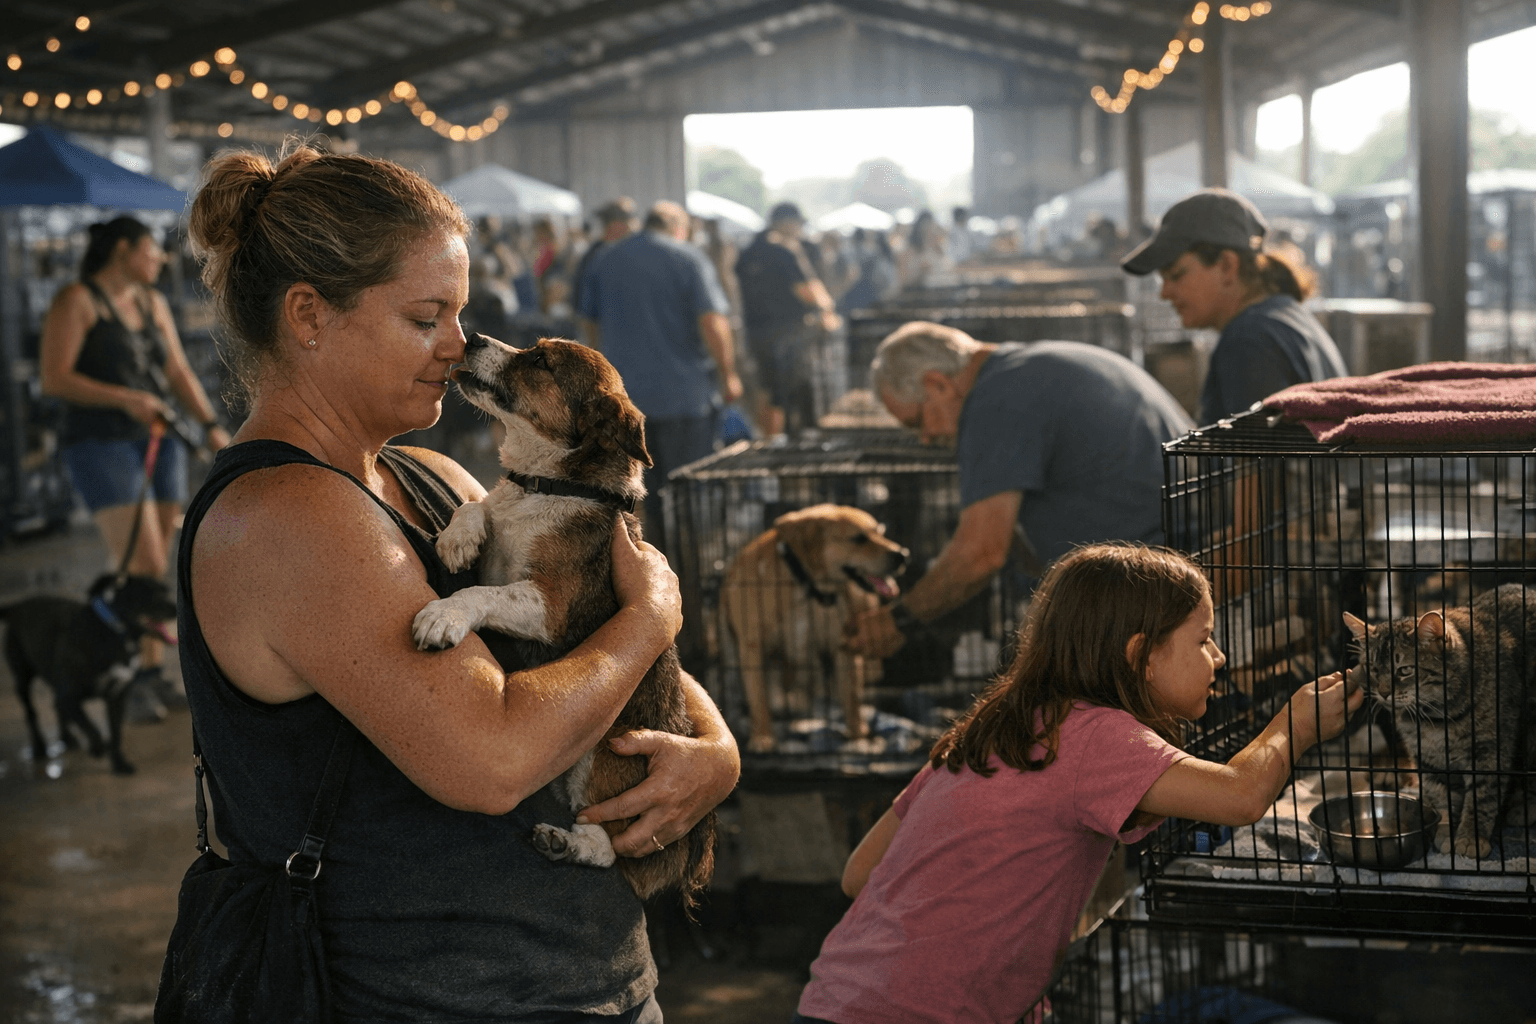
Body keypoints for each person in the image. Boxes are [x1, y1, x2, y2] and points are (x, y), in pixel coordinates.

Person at [180, 146, 739, 1021]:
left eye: (460, 314)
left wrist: (715, 751)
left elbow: (590, 638)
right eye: (425, 317)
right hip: (431, 997)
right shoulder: (288, 518)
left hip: (571, 980)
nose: (459, 344)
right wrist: (652, 615)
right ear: (308, 316)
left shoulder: (436, 478)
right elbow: (493, 760)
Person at [796, 543, 1364, 1024]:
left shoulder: (990, 730)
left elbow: (859, 876)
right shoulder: (1094, 735)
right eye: (1203, 640)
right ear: (1140, 655)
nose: (1219, 657)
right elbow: (1240, 795)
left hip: (839, 996)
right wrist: (1294, 725)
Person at [843, 322, 1192, 661]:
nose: (926, 438)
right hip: (1186, 549)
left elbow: (980, 553)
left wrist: (898, 620)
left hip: (1157, 580)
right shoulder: (1032, 365)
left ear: (938, 385)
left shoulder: (995, 402)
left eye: (918, 421)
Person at [40, 216, 231, 712]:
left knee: (149, 564)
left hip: (157, 439)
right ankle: (133, 673)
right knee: (142, 561)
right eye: (152, 249)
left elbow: (175, 370)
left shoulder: (151, 302)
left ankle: (145, 671)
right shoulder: (77, 300)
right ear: (124, 250)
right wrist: (125, 398)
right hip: (100, 444)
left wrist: (210, 425)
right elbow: (54, 378)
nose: (161, 258)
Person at [576, 200, 742, 554]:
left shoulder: (606, 259)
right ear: (678, 228)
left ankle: (650, 563)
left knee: (635, 496)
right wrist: (729, 374)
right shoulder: (687, 258)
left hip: (624, 403)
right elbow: (713, 322)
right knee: (687, 490)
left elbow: (588, 323)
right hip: (685, 397)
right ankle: (690, 565)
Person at [1120, 188, 1347, 426]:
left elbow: (1253, 461)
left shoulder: (1248, 340)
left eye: (1176, 275)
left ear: (1227, 266)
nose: (1165, 293)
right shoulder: (1290, 316)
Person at [735, 202, 841, 436]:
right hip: (788, 334)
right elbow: (807, 291)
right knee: (786, 393)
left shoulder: (748, 250)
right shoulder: (783, 251)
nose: (800, 230)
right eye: (798, 224)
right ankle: (788, 441)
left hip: (756, 333)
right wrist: (827, 306)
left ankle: (769, 441)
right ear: (787, 222)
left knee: (766, 388)